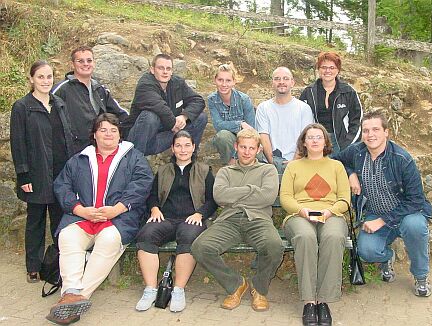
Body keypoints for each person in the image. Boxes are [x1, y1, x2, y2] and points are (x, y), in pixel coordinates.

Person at [46, 113, 153, 325]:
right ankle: (73, 294)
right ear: (94, 134)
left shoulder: (133, 157)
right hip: (82, 217)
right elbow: (62, 186)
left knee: (109, 241)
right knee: (67, 237)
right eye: (103, 130)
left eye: (113, 130)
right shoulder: (79, 159)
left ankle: (73, 296)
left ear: (120, 134)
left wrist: (117, 209)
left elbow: (142, 184)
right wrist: (79, 209)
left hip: (118, 219)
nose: (108, 134)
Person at [334, 111, 432, 297]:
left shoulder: (402, 159)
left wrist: (382, 221)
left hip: (406, 214)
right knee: (366, 251)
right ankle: (387, 257)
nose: (370, 135)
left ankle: (421, 276)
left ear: (386, 132)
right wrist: (350, 173)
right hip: (375, 212)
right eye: (366, 130)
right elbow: (335, 160)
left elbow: (416, 200)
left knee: (415, 226)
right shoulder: (357, 151)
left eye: (376, 129)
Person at [192, 129, 284, 312]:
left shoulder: (268, 170)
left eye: (251, 148)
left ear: (258, 149)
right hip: (229, 220)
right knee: (200, 247)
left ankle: (259, 288)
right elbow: (219, 196)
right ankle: (235, 285)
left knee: (275, 246)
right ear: (236, 147)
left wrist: (235, 193)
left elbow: (267, 196)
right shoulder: (226, 171)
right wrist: (252, 189)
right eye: (243, 147)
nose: (246, 152)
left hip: (258, 220)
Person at [135, 130, 217, 313]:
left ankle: (178, 290)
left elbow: (213, 200)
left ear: (194, 147)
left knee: (189, 238)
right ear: (172, 148)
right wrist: (154, 208)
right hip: (166, 218)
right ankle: (150, 289)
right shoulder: (163, 170)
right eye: (178, 145)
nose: (183, 149)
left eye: (187, 145)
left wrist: (200, 214)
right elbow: (152, 195)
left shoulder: (204, 171)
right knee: (146, 234)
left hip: (191, 219)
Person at [10, 60, 74, 284]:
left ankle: (57, 264)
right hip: (36, 173)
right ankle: (33, 267)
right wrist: (23, 174)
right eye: (40, 77)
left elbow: (66, 139)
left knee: (59, 220)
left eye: (49, 77)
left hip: (59, 172)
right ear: (31, 79)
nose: (46, 81)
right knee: (36, 221)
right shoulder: (22, 107)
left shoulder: (59, 104)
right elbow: (18, 143)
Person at [280, 123, 350, 326]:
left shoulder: (336, 167)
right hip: (299, 215)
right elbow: (285, 197)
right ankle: (309, 301)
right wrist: (302, 210)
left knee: (334, 237)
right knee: (305, 237)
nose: (315, 140)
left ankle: (324, 300)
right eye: (310, 137)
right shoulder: (293, 167)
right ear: (303, 142)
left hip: (331, 214)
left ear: (326, 142)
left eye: (319, 137)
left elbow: (345, 199)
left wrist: (330, 211)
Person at [122, 53, 207, 155]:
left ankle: (188, 160)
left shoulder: (177, 83)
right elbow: (159, 106)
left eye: (168, 69)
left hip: (165, 136)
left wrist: (184, 116)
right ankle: (133, 161)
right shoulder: (145, 84)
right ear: (152, 70)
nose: (165, 72)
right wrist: (173, 123)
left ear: (172, 71)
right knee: (150, 116)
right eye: (161, 68)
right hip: (141, 139)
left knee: (201, 118)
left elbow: (198, 100)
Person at [52, 46, 128, 153]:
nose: (85, 64)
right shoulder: (61, 89)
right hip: (72, 150)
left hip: (97, 148)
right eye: (80, 61)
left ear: (94, 63)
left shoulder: (100, 88)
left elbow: (120, 114)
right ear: (72, 64)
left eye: (89, 60)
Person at [299, 51, 363, 153]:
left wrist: (348, 145)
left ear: (338, 70)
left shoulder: (348, 91)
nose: (327, 71)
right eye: (324, 67)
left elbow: (357, 121)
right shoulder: (309, 92)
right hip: (316, 143)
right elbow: (300, 120)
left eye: (332, 68)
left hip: (341, 142)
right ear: (318, 69)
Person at [256, 66, 314, 173]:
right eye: (277, 79)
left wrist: (294, 162)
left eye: (285, 78)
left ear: (292, 82)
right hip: (269, 163)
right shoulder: (263, 108)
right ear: (272, 83)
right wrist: (272, 162)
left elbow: (306, 138)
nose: (281, 82)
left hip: (299, 162)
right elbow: (263, 137)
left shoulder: (304, 108)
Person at [208, 64, 256, 165]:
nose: (224, 84)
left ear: (234, 81)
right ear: (215, 80)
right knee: (222, 136)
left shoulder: (244, 99)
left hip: (245, 139)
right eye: (220, 80)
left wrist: (235, 156)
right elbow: (218, 125)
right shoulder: (212, 99)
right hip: (228, 139)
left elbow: (251, 131)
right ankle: (231, 168)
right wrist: (240, 124)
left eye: (228, 80)